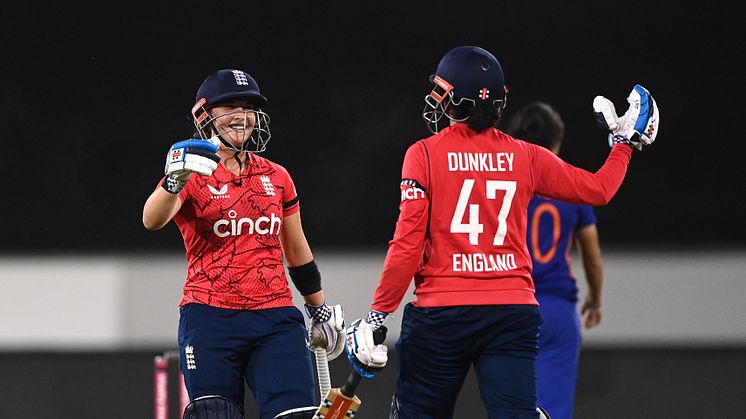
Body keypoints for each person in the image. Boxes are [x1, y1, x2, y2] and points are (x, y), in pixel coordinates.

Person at [344, 46, 659, 419]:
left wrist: (378, 315)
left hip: (443, 313)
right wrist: (623, 146)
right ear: (500, 100)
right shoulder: (526, 155)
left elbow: (408, 244)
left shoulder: (423, 154)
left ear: (455, 99)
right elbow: (598, 189)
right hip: (512, 311)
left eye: (442, 91)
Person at [142, 68, 346, 419]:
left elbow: (295, 249)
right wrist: (175, 181)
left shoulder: (276, 175)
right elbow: (151, 219)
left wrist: (319, 309)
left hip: (275, 316)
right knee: (216, 414)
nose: (243, 116)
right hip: (210, 316)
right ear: (204, 115)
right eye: (230, 106)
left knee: (297, 415)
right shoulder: (190, 170)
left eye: (249, 107)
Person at [504, 102, 604, 419]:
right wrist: (595, 299)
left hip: (509, 306)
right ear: (557, 143)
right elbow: (592, 258)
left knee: (508, 408)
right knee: (552, 411)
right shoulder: (570, 184)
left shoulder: (503, 181)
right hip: (557, 308)